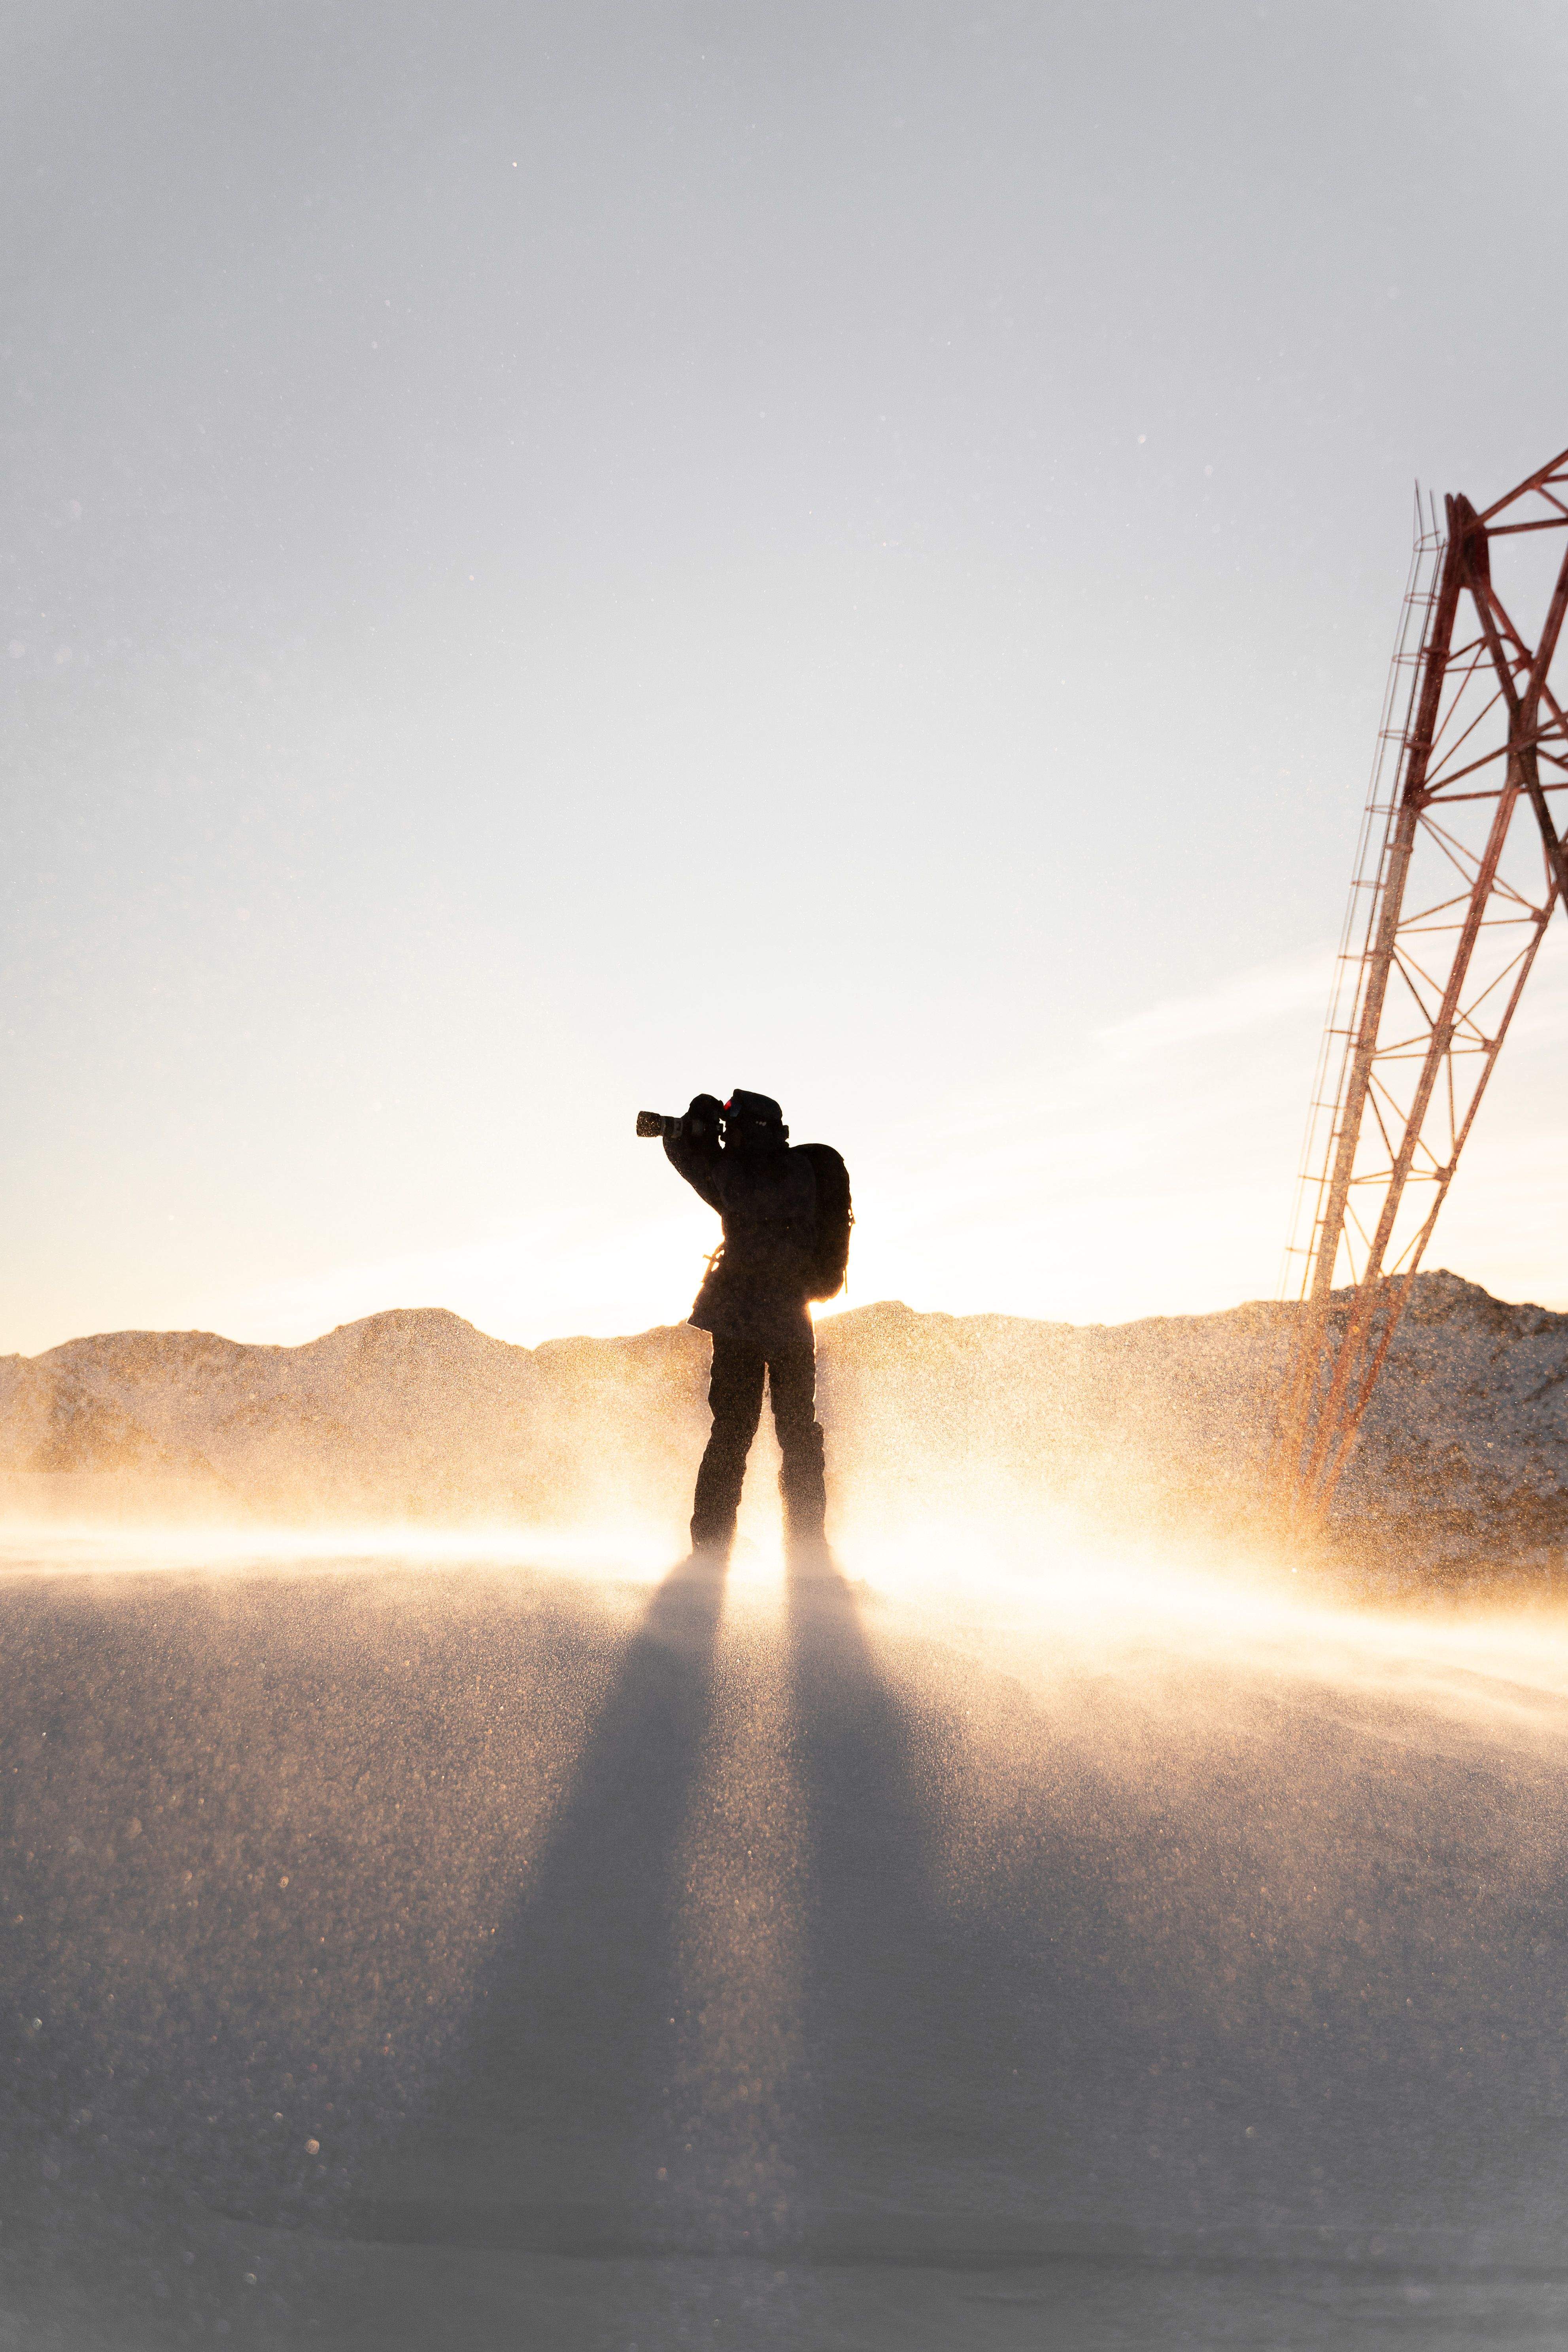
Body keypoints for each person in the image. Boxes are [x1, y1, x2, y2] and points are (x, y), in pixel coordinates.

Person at [662, 1090, 847, 1560]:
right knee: (798, 1432)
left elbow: (690, 1161)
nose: (730, 1135)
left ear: (752, 1129)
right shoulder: (804, 1172)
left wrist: (696, 1122)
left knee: (732, 1430)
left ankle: (712, 1544)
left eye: (734, 1127)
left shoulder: (734, 1173)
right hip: (793, 1321)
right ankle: (807, 1542)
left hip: (739, 1320)